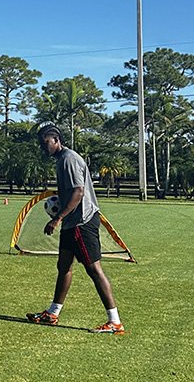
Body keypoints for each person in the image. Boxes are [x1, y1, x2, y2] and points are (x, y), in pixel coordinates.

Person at [27, 122, 124, 333]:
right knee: (64, 266)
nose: (44, 148)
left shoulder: (68, 159)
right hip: (73, 223)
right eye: (41, 144)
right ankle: (52, 313)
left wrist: (57, 218)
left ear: (56, 140)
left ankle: (115, 321)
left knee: (94, 269)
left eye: (46, 143)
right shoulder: (62, 159)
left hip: (82, 222)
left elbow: (78, 192)